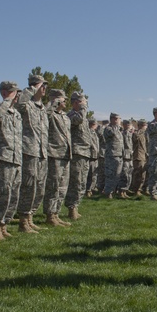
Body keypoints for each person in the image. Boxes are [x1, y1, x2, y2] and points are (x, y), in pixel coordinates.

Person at [0, 82, 23, 240]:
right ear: (5, 93)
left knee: (13, 194)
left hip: (16, 158)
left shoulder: (16, 114)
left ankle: (4, 224)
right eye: (14, 92)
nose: (17, 96)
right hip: (3, 157)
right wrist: (7, 99)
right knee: (1, 193)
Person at [15, 73, 48, 233]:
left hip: (42, 152)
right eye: (42, 85)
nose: (44, 89)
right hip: (29, 150)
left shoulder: (42, 108)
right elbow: (19, 103)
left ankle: (30, 217)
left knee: (39, 187)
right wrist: (31, 89)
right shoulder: (26, 105)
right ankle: (23, 221)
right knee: (28, 187)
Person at [43, 88, 72, 226]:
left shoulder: (65, 116)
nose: (65, 101)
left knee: (62, 187)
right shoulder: (49, 113)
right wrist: (53, 102)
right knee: (53, 186)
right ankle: (49, 215)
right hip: (54, 153)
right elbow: (44, 115)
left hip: (65, 154)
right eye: (62, 98)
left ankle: (56, 214)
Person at [65, 91, 95, 220]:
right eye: (83, 102)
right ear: (76, 102)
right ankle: (71, 208)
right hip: (77, 152)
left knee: (82, 182)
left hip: (84, 152)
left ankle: (76, 206)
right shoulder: (71, 115)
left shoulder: (82, 116)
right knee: (76, 181)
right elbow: (78, 120)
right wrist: (83, 108)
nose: (85, 105)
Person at [102, 113, 126, 198]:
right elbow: (111, 133)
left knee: (117, 175)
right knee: (110, 175)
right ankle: (108, 192)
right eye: (119, 119)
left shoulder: (118, 130)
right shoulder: (108, 129)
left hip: (119, 155)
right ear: (114, 119)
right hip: (111, 155)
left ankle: (112, 191)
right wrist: (117, 127)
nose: (120, 121)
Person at [131, 119, 148, 195]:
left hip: (145, 155)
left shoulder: (146, 133)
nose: (146, 127)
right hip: (138, 156)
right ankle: (136, 190)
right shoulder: (136, 133)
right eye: (145, 125)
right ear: (141, 126)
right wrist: (140, 131)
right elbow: (135, 139)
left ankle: (143, 189)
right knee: (138, 174)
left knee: (144, 174)